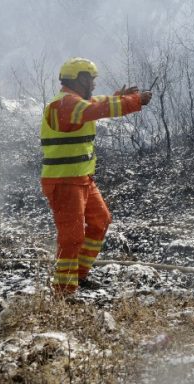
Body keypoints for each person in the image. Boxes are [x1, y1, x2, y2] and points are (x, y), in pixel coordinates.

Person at [40, 58, 152, 295]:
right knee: (71, 237)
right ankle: (64, 291)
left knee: (100, 221)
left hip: (81, 179)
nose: (93, 84)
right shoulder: (65, 104)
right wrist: (133, 101)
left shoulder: (75, 102)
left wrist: (120, 98)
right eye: (90, 79)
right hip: (64, 181)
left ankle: (78, 276)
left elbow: (96, 103)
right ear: (80, 78)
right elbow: (94, 109)